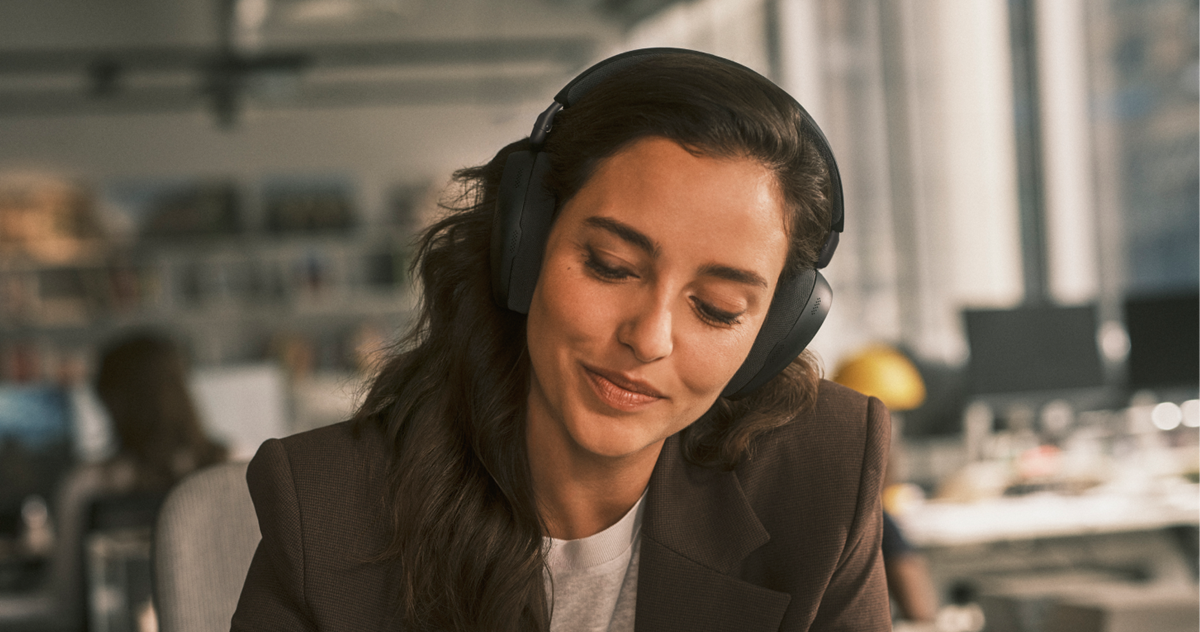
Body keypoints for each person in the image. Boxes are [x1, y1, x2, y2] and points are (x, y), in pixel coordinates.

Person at [232, 48, 891, 632]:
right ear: (525, 244)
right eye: (609, 265)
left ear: (774, 333)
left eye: (717, 310)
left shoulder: (822, 477)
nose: (650, 338)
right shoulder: (324, 507)